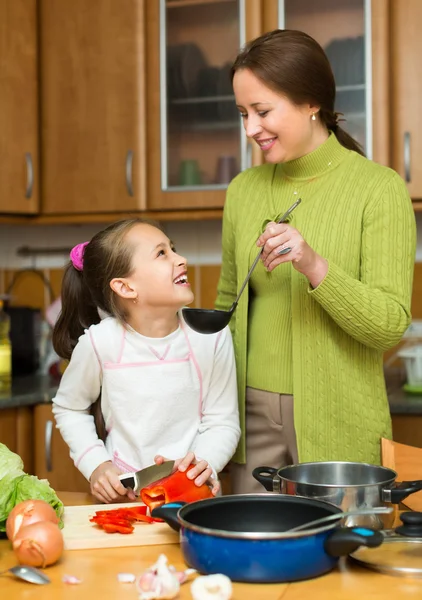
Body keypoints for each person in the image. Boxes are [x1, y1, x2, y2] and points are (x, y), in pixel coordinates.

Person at [215, 29, 416, 494]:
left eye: (263, 112)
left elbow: (390, 324)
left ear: (311, 103)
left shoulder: (378, 189)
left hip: (340, 419)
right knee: (253, 557)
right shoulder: (242, 191)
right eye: (243, 113)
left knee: (343, 558)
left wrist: (313, 265)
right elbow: (226, 307)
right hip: (247, 421)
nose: (250, 129)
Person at [52, 218, 240, 503]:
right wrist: (97, 465)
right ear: (126, 288)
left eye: (173, 249)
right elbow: (69, 408)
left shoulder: (212, 336)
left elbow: (223, 422)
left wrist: (205, 464)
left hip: (193, 498)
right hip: (124, 500)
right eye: (162, 253)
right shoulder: (100, 343)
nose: (182, 259)